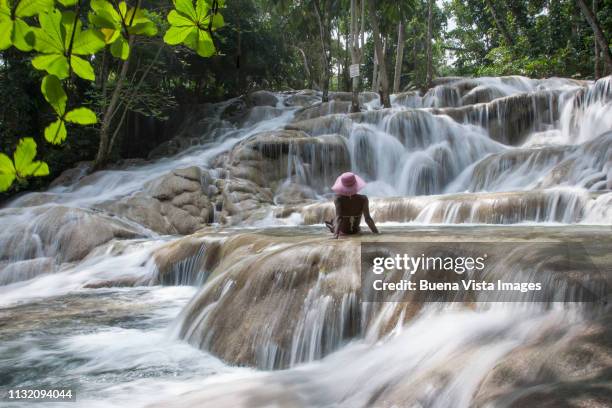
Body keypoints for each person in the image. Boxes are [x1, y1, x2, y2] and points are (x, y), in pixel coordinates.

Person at [325, 172, 379, 239]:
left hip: (343, 232)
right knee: (335, 220)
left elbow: (339, 218)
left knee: (334, 220)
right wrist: (376, 233)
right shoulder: (363, 199)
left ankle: (333, 226)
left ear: (342, 186)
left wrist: (335, 235)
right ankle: (332, 224)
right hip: (356, 231)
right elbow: (368, 219)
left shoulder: (338, 199)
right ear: (356, 185)